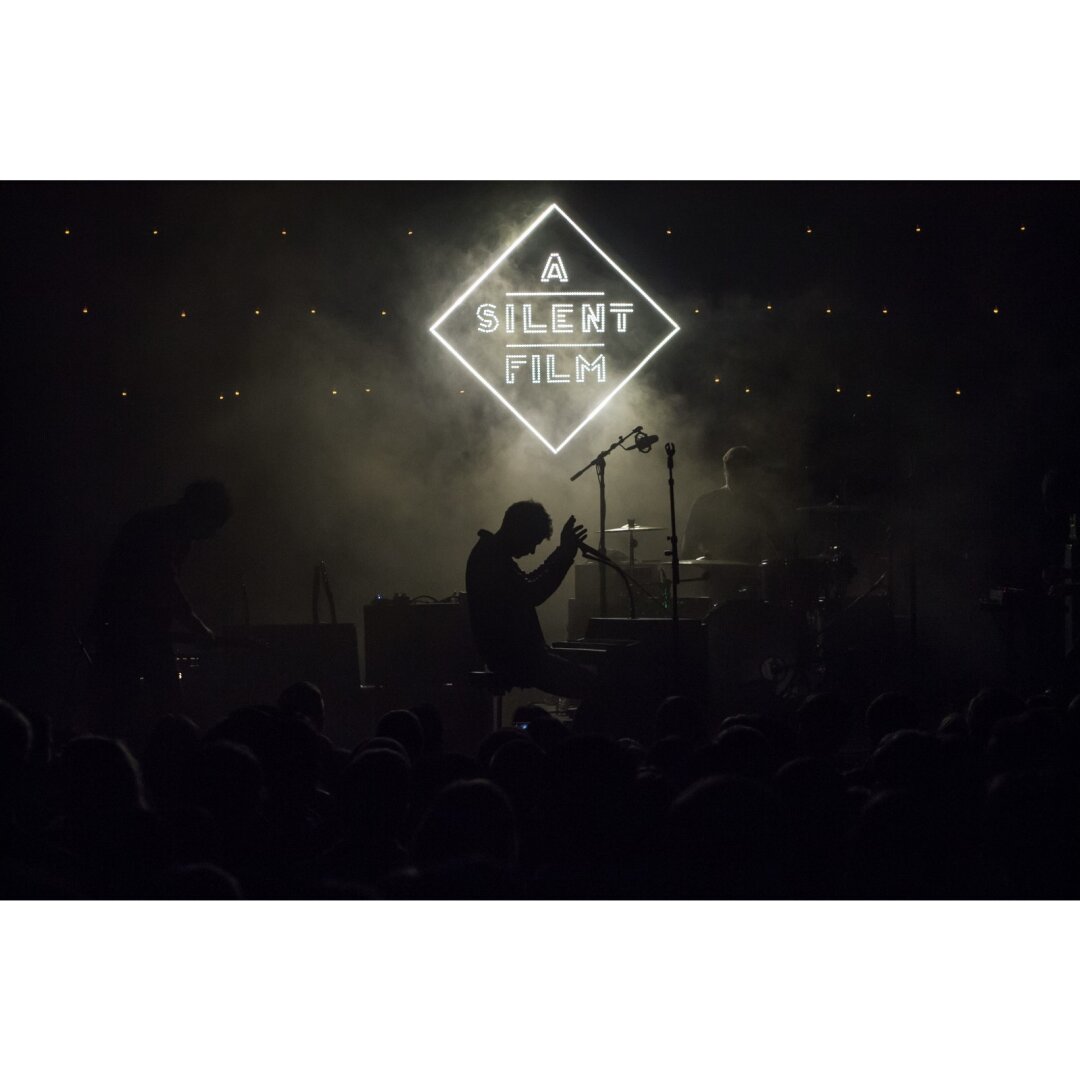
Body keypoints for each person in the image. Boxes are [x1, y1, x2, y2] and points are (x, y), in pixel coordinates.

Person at [89, 479, 232, 744]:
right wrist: (198, 627)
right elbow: (163, 584)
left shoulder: (165, 527)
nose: (211, 535)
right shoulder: (161, 529)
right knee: (159, 710)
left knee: (130, 710)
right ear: (202, 512)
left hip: (133, 630)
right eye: (213, 525)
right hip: (126, 632)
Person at [466, 501, 595, 699]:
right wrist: (565, 554)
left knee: (587, 678)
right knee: (594, 685)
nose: (533, 551)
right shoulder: (490, 558)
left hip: (519, 656)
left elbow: (528, 584)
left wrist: (563, 552)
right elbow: (533, 592)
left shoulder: (491, 553)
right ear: (520, 530)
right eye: (533, 542)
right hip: (517, 659)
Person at [683, 445, 778, 562]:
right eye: (732, 470)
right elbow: (688, 549)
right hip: (714, 574)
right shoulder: (705, 503)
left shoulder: (760, 505)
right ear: (725, 471)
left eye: (741, 470)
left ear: (752, 472)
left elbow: (778, 545)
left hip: (751, 574)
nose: (736, 475)